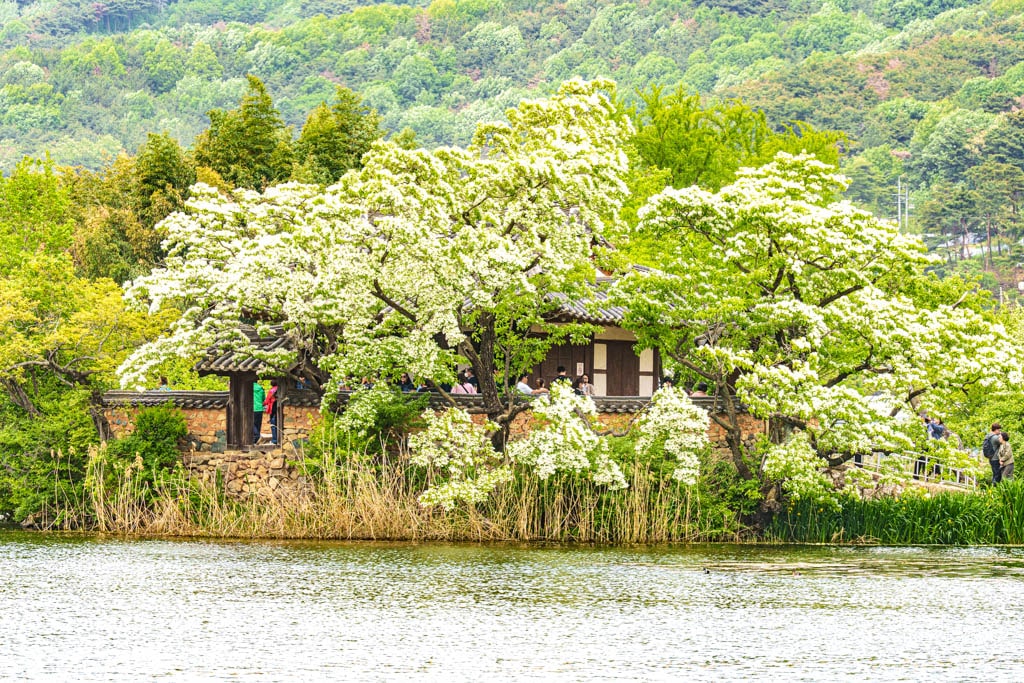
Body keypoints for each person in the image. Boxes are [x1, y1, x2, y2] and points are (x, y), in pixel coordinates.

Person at [264, 379, 279, 445]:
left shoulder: (271, 391)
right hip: (279, 410)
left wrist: (262, 403)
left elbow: (267, 401)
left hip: (273, 409)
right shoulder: (279, 389)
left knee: (273, 425)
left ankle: (274, 440)